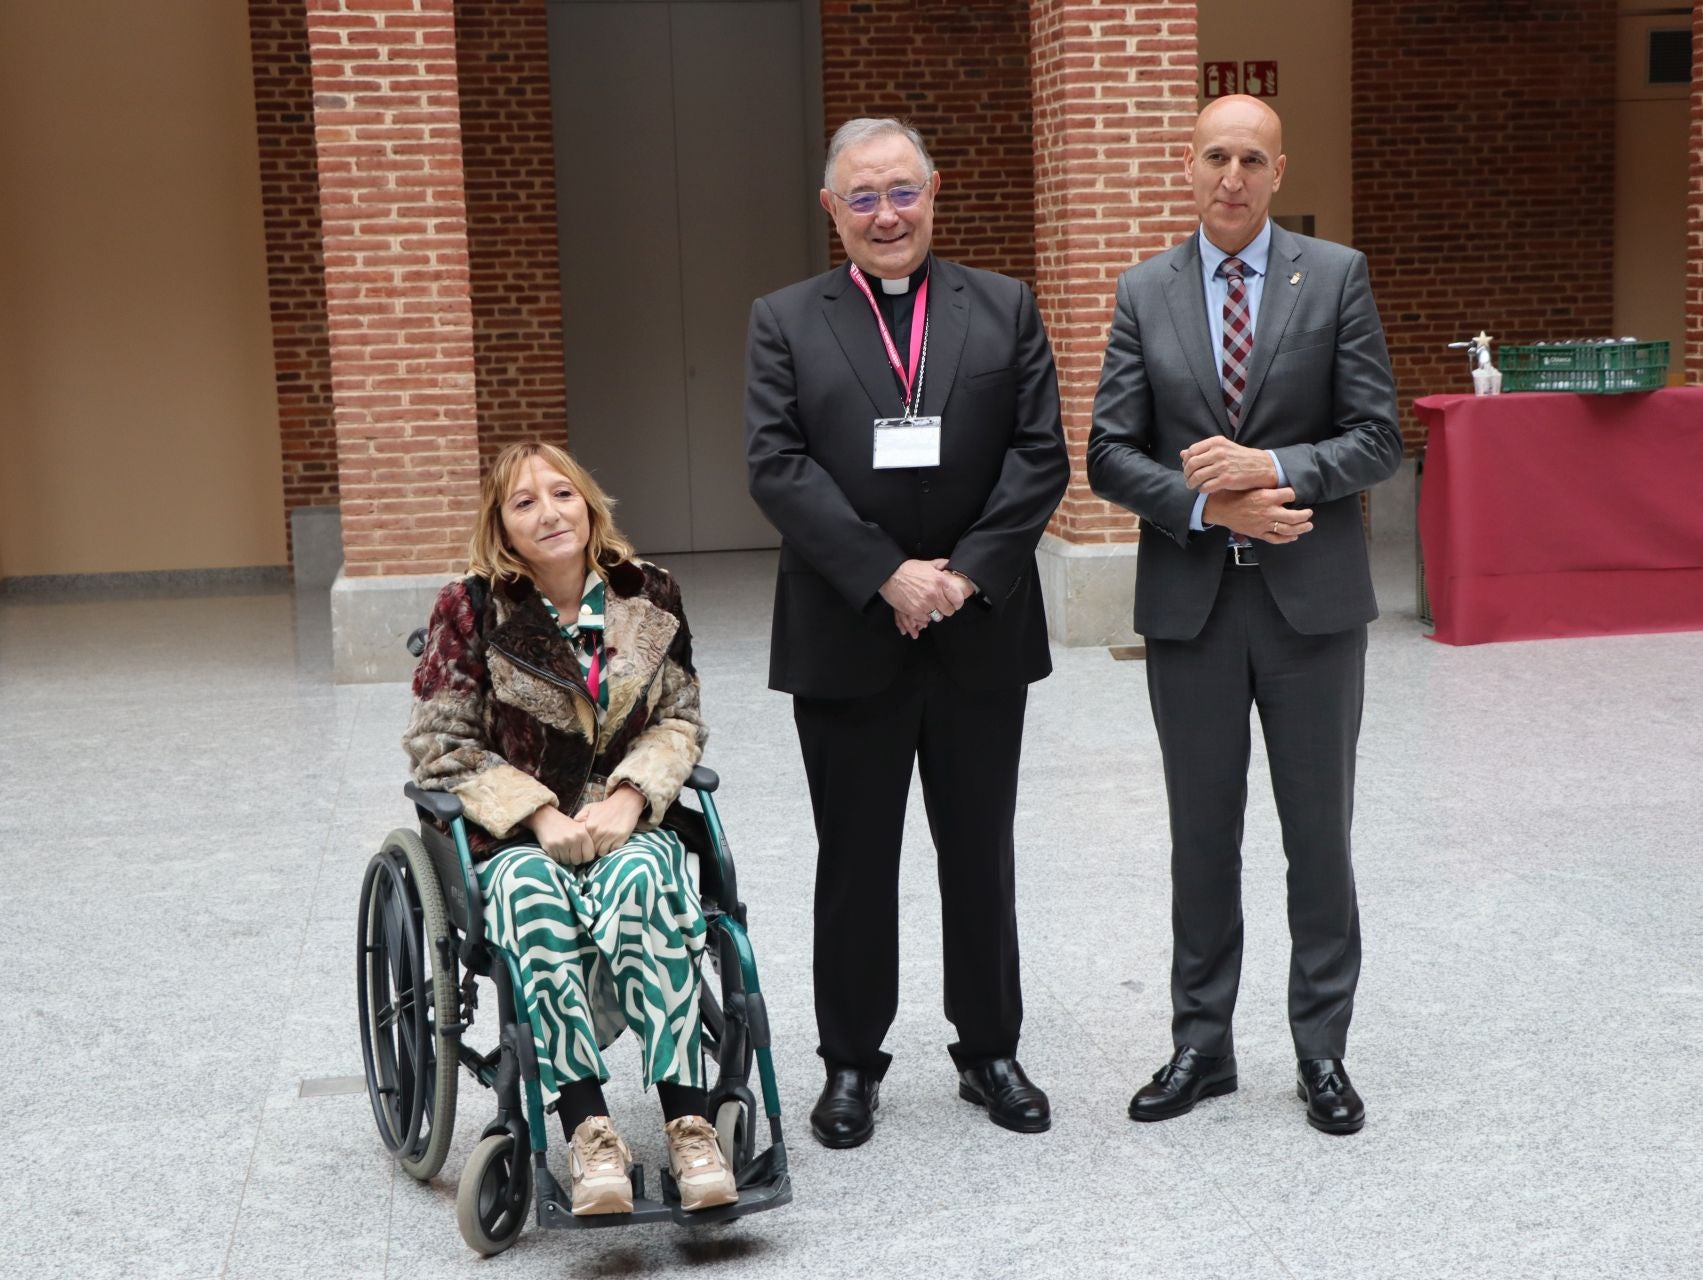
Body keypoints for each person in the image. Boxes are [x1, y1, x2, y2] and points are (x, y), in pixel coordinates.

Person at [744, 117, 1069, 1148]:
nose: (887, 214)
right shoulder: (785, 319)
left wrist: (963, 575)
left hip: (978, 630)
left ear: (934, 192)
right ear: (833, 210)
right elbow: (776, 463)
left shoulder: (1004, 306)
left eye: (903, 191)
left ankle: (991, 1048)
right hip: (849, 632)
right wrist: (886, 572)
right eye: (864, 197)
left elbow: (1037, 454)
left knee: (980, 849)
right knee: (856, 856)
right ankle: (850, 1062)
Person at [1087, 96, 1402, 1134]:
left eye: (1252, 158)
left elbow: (1376, 437)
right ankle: (1201, 1044)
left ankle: (1321, 1049)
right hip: (1195, 606)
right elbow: (1109, 454)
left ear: (1278, 170)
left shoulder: (1337, 278)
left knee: (1319, 836)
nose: (1233, 174)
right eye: (1216, 155)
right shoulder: (1144, 290)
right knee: (1201, 834)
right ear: (1189, 166)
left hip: (1312, 608)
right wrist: (1208, 503)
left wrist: (1272, 466)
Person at [404, 441, 738, 1213]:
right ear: (502, 529)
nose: (549, 513)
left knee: (648, 876)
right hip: (518, 835)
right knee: (528, 895)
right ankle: (589, 1132)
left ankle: (689, 1122)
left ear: (588, 504)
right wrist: (538, 813)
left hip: (625, 821)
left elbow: (681, 720)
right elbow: (439, 745)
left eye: (562, 494)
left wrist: (629, 797)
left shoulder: (648, 593)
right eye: (524, 503)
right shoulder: (471, 607)